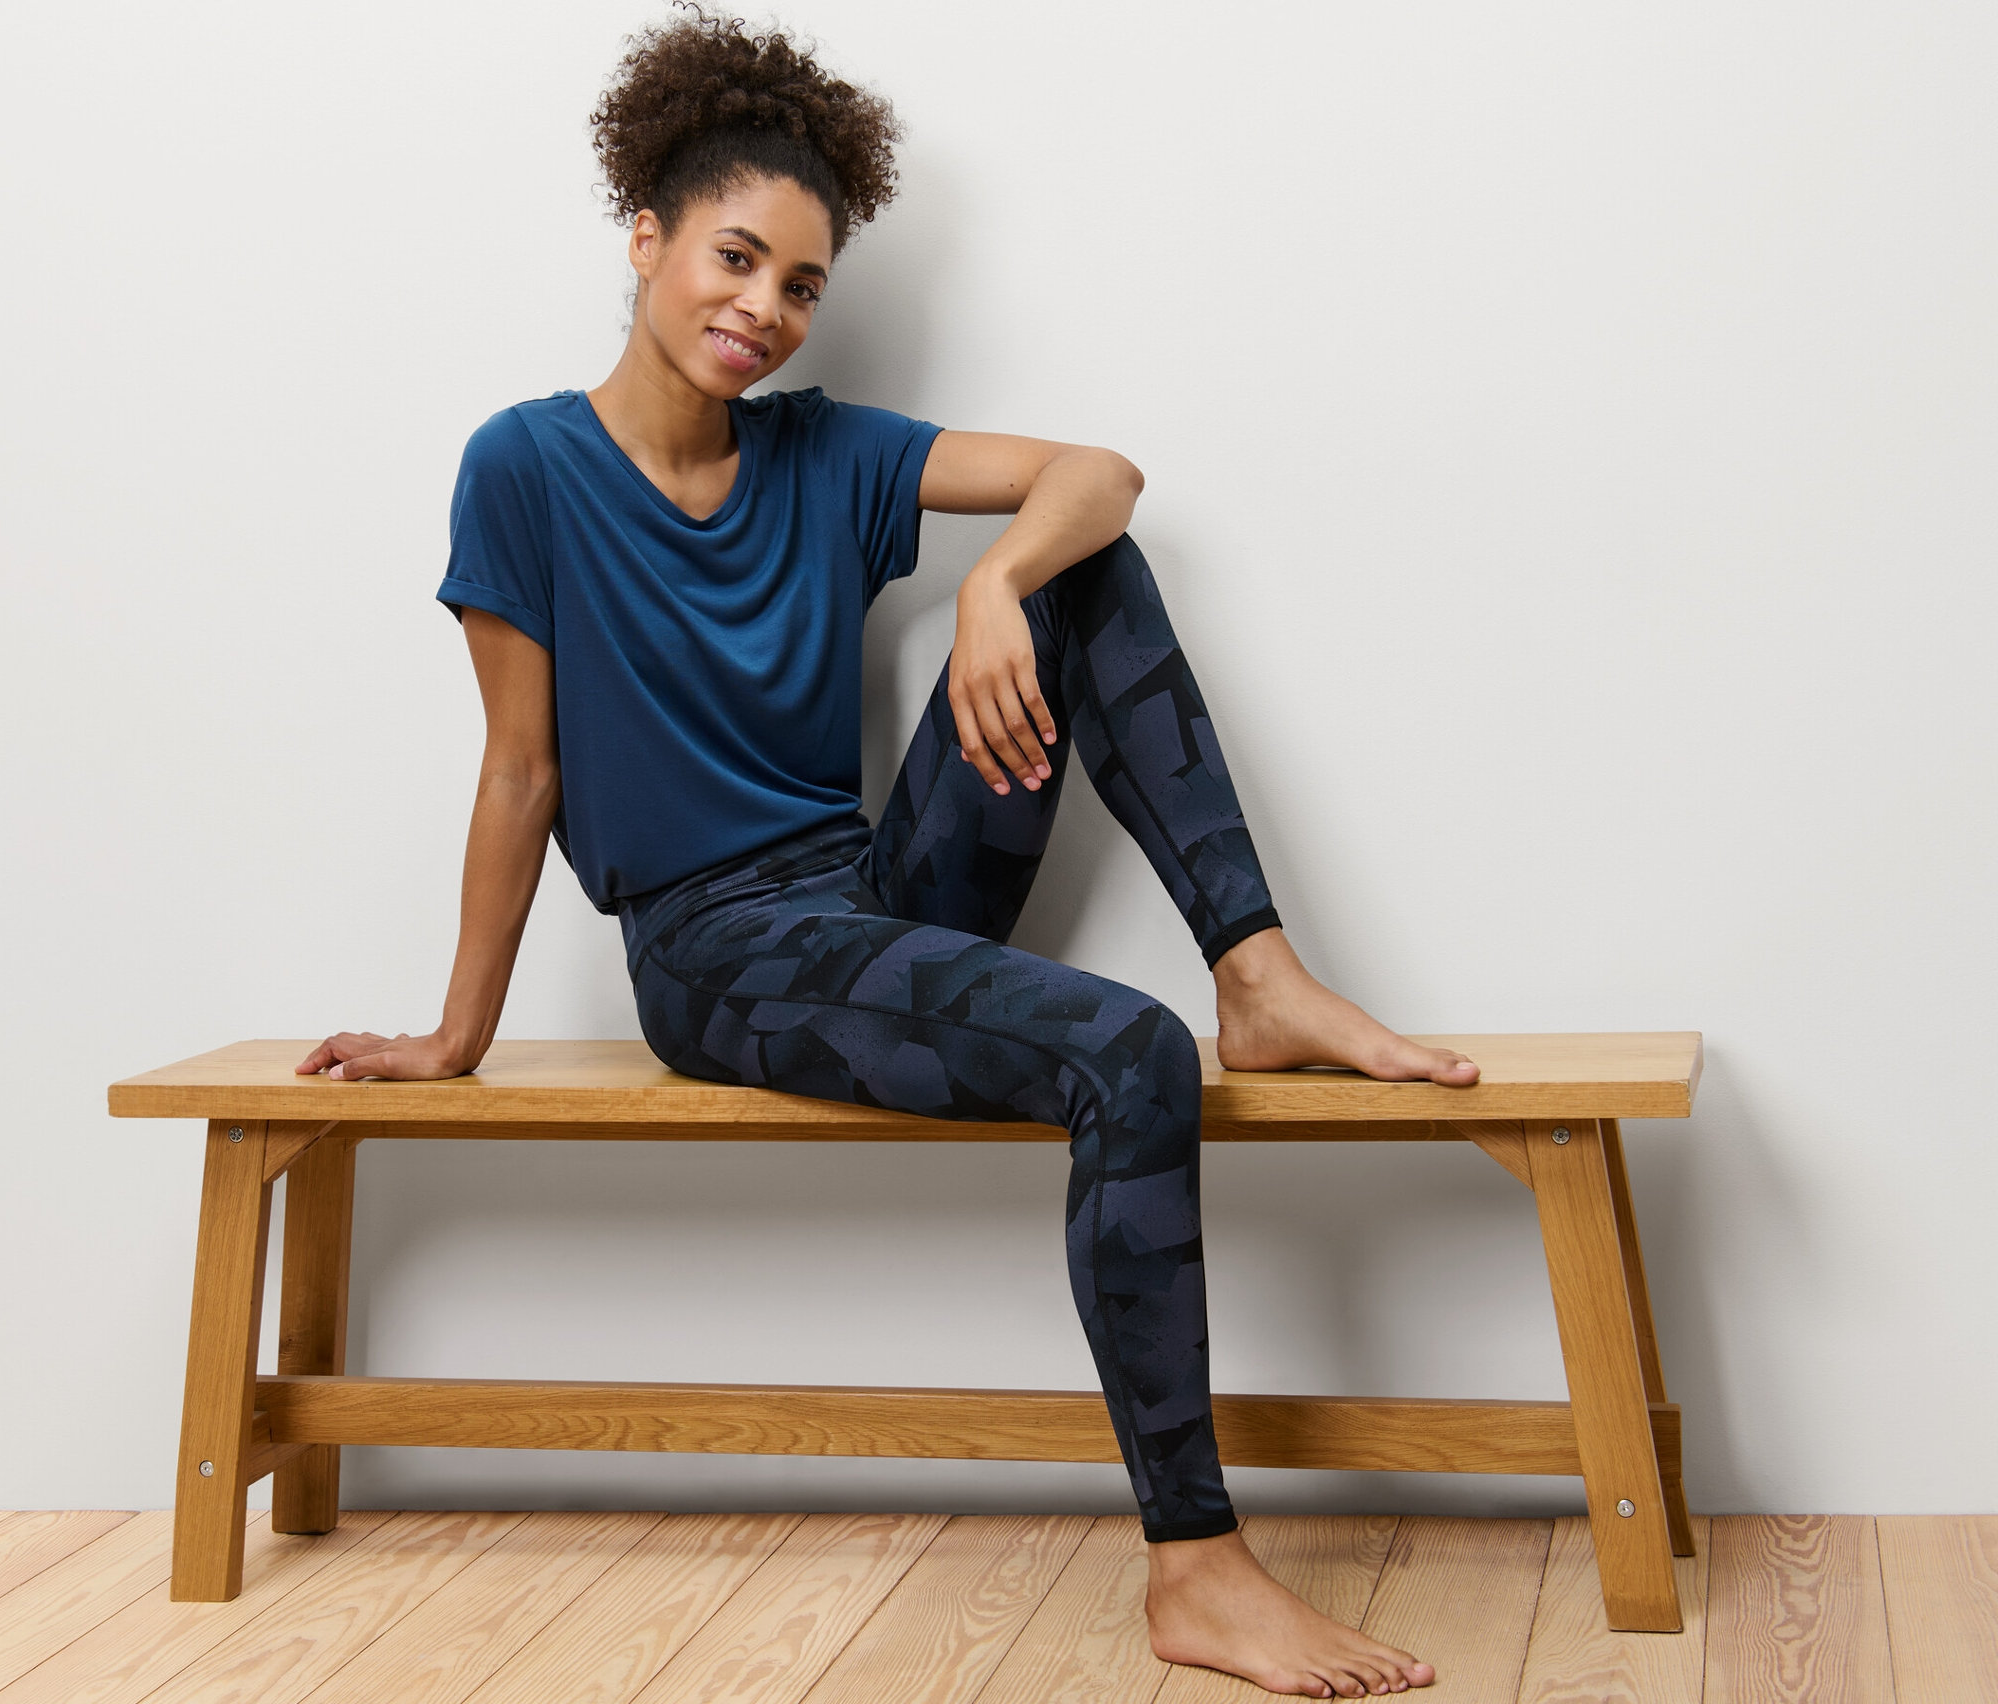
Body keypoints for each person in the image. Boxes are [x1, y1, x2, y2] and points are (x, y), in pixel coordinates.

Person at [298, 6, 1475, 1695]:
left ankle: (1261, 967)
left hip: (860, 899)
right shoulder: (527, 467)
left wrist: (990, 582)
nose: (760, 310)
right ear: (643, 235)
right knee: (1126, 1057)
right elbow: (522, 769)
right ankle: (1199, 1570)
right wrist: (454, 1034)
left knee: (1081, 562)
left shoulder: (829, 454)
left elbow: (1101, 472)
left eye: (799, 285)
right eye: (733, 257)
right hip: (714, 954)